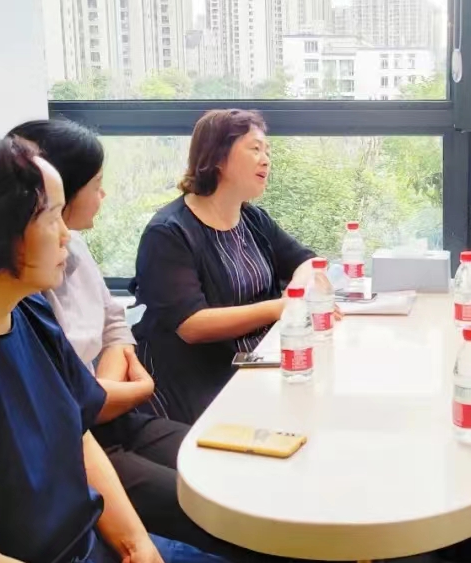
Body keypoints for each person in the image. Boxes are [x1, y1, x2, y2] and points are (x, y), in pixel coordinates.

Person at [0, 136, 260, 563]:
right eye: (51, 218)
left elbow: (78, 434)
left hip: (88, 554)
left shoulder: (27, 309)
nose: (66, 235)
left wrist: (137, 544)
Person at [8, 118, 224, 555]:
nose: (103, 195)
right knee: (212, 505)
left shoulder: (73, 244)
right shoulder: (24, 291)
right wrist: (132, 388)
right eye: (96, 185)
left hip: (115, 414)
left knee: (229, 464)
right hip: (85, 437)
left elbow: (114, 322)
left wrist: (106, 388)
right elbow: (71, 404)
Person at [132, 108, 326, 424]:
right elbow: (192, 325)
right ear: (217, 157)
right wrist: (280, 308)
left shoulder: (252, 218)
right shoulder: (168, 232)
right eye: (255, 149)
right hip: (196, 384)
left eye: (267, 151)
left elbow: (308, 261)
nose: (266, 160)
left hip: (257, 364)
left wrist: (295, 295)